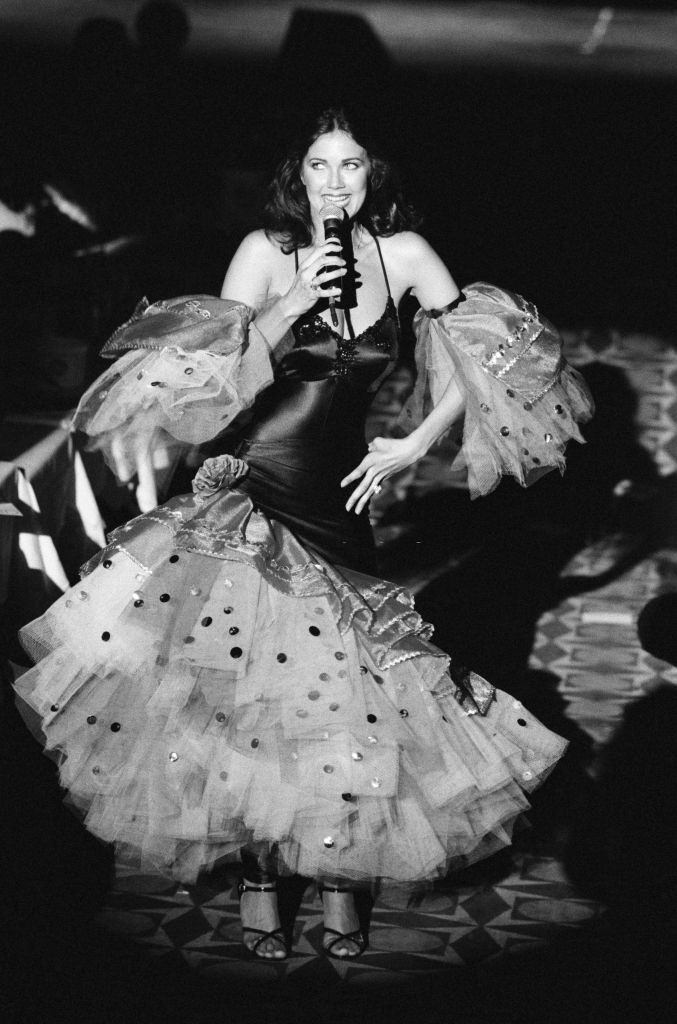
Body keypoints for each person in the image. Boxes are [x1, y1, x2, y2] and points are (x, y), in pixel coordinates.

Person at [14, 109, 594, 962]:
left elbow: (504, 358)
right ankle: (259, 875)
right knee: (246, 693)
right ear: (296, 176)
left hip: (340, 500)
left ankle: (336, 874)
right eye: (319, 167)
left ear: (374, 176)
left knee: (341, 696)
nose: (334, 183)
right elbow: (210, 385)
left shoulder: (405, 256)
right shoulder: (263, 250)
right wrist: (292, 300)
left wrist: (417, 440)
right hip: (250, 490)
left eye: (351, 166)